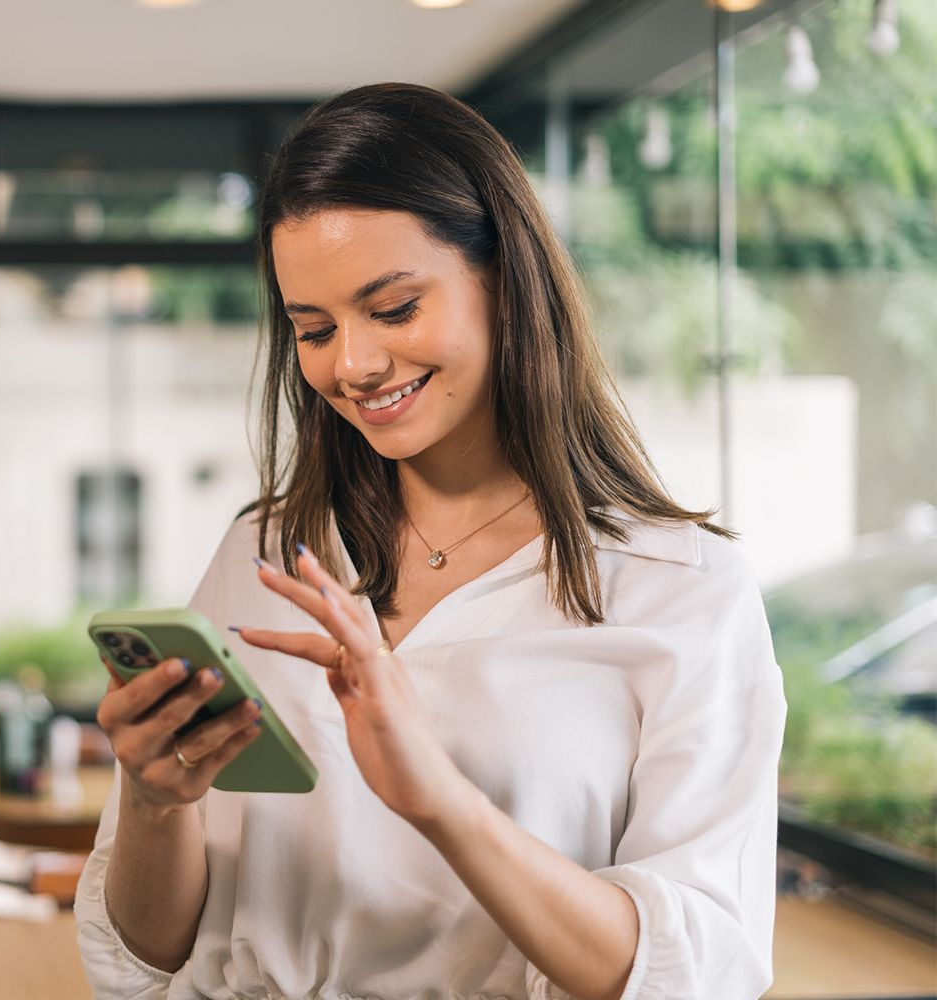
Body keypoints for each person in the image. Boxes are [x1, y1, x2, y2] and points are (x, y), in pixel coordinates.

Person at [75, 83, 787, 1000]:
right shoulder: (266, 551)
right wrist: (155, 801)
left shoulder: (682, 590)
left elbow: (696, 974)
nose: (354, 365)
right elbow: (145, 959)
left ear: (503, 277)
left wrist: (439, 800)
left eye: (395, 309)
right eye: (316, 330)